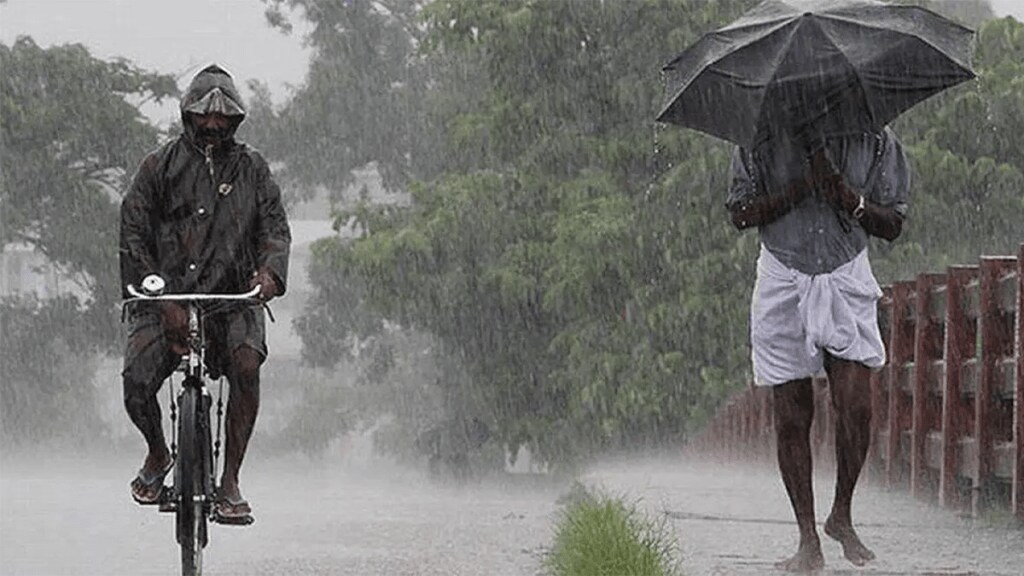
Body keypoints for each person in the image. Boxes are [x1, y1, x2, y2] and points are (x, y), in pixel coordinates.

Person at [726, 127, 910, 572]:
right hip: (781, 273)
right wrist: (801, 187)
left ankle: (841, 512)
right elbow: (740, 213)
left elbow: (893, 225)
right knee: (791, 414)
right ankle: (807, 537)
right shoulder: (758, 138)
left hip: (846, 270)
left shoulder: (877, 138)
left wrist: (847, 197)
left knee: (856, 404)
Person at [119, 64, 291, 523]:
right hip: (163, 298)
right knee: (136, 382)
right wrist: (161, 297)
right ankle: (158, 453)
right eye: (203, 116)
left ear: (236, 121)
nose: (213, 125)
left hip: (232, 299)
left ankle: (230, 480)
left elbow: (275, 229)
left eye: (223, 118)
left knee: (247, 367)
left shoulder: (253, 169)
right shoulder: (158, 167)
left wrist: (269, 275)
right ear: (187, 115)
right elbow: (133, 231)